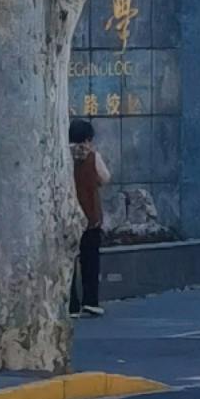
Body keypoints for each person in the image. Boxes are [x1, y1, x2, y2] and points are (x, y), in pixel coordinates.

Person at [68, 117, 109, 317]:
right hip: (90, 216)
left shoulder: (61, 155)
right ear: (87, 138)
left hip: (66, 216)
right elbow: (105, 178)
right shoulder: (93, 157)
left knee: (68, 262)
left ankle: (71, 305)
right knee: (90, 260)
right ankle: (90, 301)